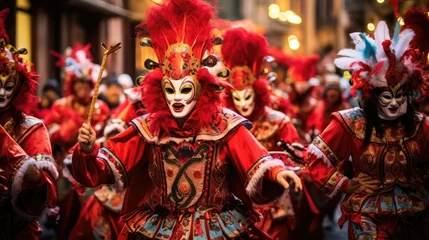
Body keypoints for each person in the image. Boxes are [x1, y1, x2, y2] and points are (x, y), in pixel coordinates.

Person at [71, 0, 302, 239]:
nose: (177, 98)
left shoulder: (225, 125)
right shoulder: (147, 128)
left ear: (200, 88)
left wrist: (276, 173)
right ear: (160, 90)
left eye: (185, 90)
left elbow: (254, 158)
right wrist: (87, 151)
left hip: (216, 227)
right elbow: (105, 167)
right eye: (171, 90)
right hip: (159, 227)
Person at [306, 14, 429, 239]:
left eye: (399, 95)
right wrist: (345, 184)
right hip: (367, 214)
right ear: (372, 95)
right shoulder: (350, 122)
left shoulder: (420, 124)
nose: (394, 103)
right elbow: (315, 161)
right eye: (386, 96)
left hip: (413, 214)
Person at [221, 27, 300, 240]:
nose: (243, 104)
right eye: (237, 98)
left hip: (273, 199)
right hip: (234, 200)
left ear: (257, 91)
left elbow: (293, 155)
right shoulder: (224, 124)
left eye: (247, 96)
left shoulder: (278, 121)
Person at [0, 8, 58, 239]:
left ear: (18, 88)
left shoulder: (32, 128)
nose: (1, 92)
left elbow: (43, 190)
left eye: (8, 86)